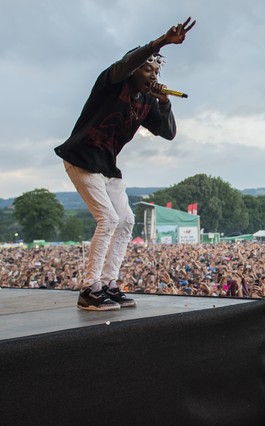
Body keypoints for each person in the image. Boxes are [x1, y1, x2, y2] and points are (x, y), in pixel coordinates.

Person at [55, 18, 195, 310]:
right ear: (134, 69)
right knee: (109, 220)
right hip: (81, 157)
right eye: (148, 68)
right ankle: (89, 289)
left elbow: (168, 133)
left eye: (157, 70)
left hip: (106, 164)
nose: (153, 74)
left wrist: (164, 103)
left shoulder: (146, 101)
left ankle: (108, 283)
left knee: (127, 220)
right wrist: (162, 42)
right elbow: (129, 60)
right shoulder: (112, 81)